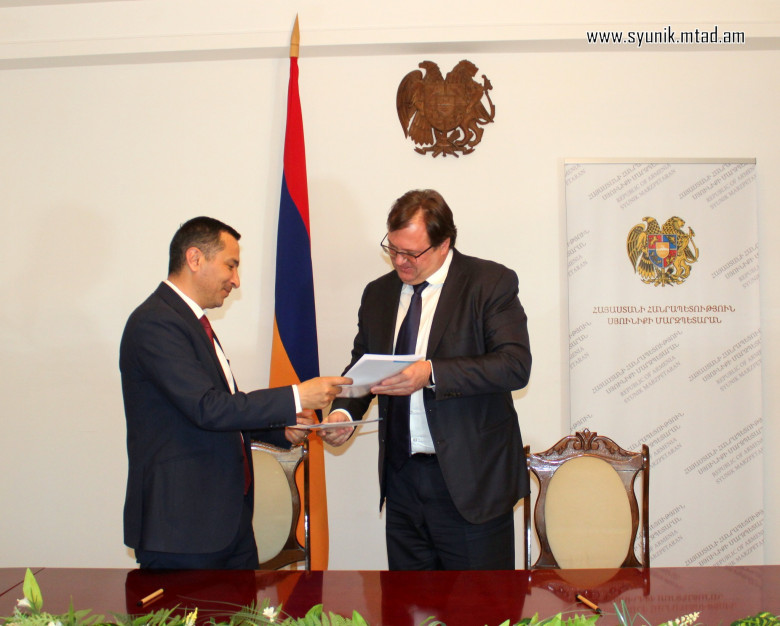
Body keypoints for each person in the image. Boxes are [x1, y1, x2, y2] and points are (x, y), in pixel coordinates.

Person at [120, 216, 350, 570]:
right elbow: (207, 407)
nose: (236, 280)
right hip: (182, 529)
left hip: (227, 525)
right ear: (195, 258)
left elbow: (223, 410)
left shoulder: (190, 322)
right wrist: (296, 396)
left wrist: (282, 427)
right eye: (231, 265)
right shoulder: (156, 322)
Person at [322, 189, 532, 570]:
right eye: (393, 249)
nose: (399, 261)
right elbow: (363, 366)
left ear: (444, 244)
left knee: (479, 602)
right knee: (408, 601)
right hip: (403, 484)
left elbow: (514, 365)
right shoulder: (378, 294)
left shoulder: (489, 283)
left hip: (471, 484)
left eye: (411, 253)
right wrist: (342, 413)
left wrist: (431, 372)